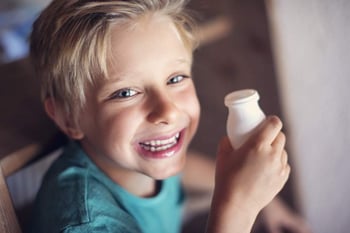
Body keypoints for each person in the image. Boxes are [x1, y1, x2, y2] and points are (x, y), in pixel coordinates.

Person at [29, 0, 309, 232]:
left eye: (175, 78)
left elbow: (180, 172)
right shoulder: (88, 224)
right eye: (125, 93)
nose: (168, 110)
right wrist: (239, 206)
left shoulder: (136, 155)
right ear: (68, 118)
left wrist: (267, 202)